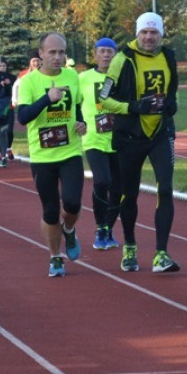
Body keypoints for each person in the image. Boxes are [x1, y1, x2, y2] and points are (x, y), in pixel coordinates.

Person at [100, 12, 180, 273]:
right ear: (137, 34)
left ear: (161, 34)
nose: (149, 37)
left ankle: (161, 254)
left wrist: (171, 105)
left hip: (160, 133)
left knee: (165, 188)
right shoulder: (122, 59)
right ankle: (130, 247)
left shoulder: (169, 57)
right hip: (129, 136)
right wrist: (133, 107)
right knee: (129, 194)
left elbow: (172, 92)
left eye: (153, 32)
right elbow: (104, 100)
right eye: (144, 32)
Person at [17, 32, 87, 277]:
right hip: (42, 156)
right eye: (52, 52)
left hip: (70, 151)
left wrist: (82, 123)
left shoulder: (72, 76)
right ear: (41, 54)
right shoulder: (29, 82)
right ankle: (55, 257)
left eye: (61, 52)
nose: (58, 57)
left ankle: (69, 229)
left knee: (72, 203)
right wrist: (47, 98)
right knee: (49, 211)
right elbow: (23, 117)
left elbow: (77, 106)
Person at [79, 37, 121, 251]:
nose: (106, 55)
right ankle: (100, 226)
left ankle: (108, 228)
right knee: (102, 181)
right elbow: (74, 104)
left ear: (115, 56)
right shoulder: (84, 78)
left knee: (117, 188)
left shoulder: (121, 77)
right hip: (93, 138)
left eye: (110, 52)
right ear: (95, 55)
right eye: (102, 51)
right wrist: (78, 123)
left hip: (118, 140)